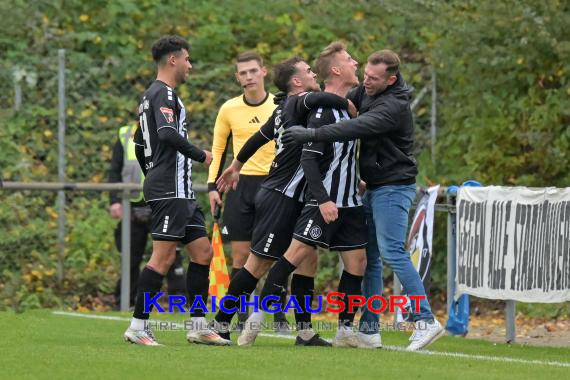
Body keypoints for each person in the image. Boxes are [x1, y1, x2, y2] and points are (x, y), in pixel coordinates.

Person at [281, 49, 445, 351]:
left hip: (394, 188)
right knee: (368, 261)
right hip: (372, 188)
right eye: (365, 75)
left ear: (391, 79)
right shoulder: (366, 91)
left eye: (373, 78)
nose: (365, 81)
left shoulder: (394, 106)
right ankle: (369, 330)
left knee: (393, 251)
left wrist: (310, 134)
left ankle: (425, 320)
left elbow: (354, 126)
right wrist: (300, 102)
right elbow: (339, 99)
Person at [213, 56, 354, 347]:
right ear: (298, 82)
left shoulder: (283, 107)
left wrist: (236, 165)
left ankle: (304, 332)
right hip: (280, 195)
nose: (314, 73)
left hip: (292, 196)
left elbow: (258, 137)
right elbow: (326, 96)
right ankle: (219, 324)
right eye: (308, 71)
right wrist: (349, 105)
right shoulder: (299, 100)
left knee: (307, 260)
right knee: (258, 264)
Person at [123, 35, 229, 346]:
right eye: (186, 59)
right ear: (173, 60)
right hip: (171, 189)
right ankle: (137, 326)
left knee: (202, 253)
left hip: (177, 189)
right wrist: (202, 156)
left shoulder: (149, 96)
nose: (190, 66)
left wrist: (152, 172)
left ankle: (198, 325)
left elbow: (141, 143)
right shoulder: (164, 93)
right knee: (162, 258)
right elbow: (167, 134)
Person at [207, 51, 289, 328]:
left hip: (275, 184)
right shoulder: (229, 108)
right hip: (241, 187)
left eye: (253, 71)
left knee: (276, 255)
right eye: (243, 73)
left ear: (264, 71)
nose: (248, 76)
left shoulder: (281, 105)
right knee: (241, 257)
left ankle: (277, 317)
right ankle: (241, 318)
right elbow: (218, 150)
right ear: (237, 77)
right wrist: (212, 186)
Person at [108, 122, 186, 309]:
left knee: (171, 255)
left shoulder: (169, 132)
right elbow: (115, 169)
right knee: (130, 257)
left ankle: (179, 303)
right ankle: (124, 303)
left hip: (162, 202)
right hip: (132, 204)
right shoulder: (125, 134)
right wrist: (114, 201)